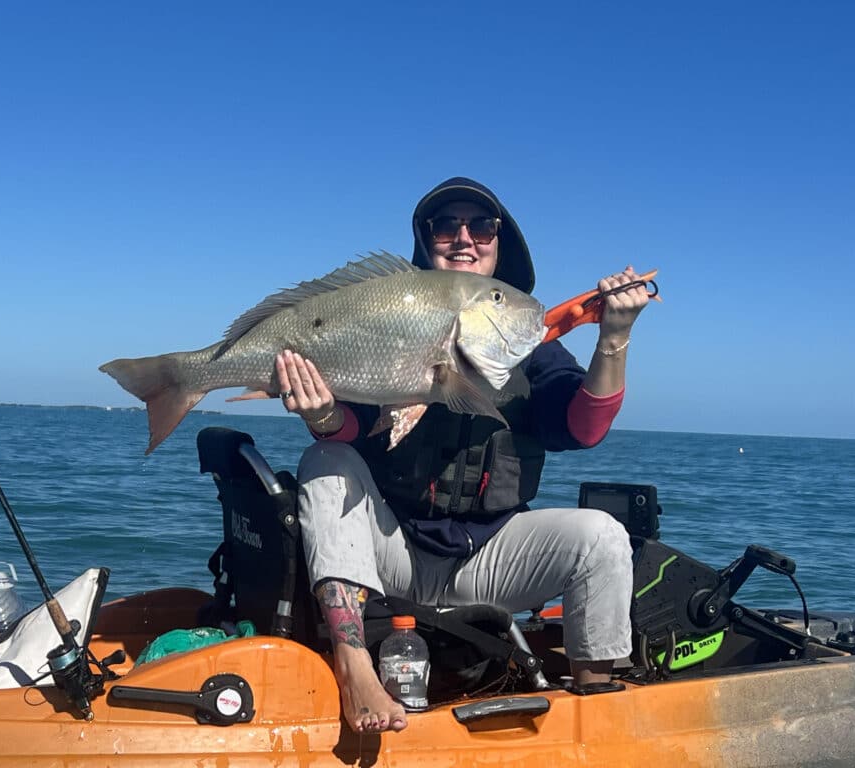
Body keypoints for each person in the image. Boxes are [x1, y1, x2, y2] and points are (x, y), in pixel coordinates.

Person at [272, 177, 649, 734]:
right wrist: (321, 415)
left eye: (482, 225)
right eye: (445, 225)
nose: (464, 237)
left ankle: (594, 701)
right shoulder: (390, 321)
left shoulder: (530, 346)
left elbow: (582, 426)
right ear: (427, 243)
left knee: (603, 535)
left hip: (488, 558)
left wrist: (612, 338)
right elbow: (352, 426)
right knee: (325, 461)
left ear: (500, 244)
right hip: (391, 553)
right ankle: (352, 666)